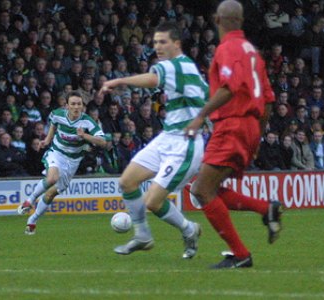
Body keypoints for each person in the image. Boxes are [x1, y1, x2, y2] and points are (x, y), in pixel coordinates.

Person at [184, 0, 282, 269]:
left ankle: (240, 254)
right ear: (241, 20)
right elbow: (270, 100)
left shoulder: (228, 48)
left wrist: (201, 115)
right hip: (250, 125)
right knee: (209, 188)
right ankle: (266, 209)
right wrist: (257, 137)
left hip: (232, 123)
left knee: (201, 190)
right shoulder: (253, 52)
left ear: (217, 20)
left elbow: (228, 87)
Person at [99, 21, 207, 259]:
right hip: (167, 137)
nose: (157, 46)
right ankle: (143, 235)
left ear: (176, 44)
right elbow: (208, 96)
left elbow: (151, 79)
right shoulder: (188, 69)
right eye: (155, 42)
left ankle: (189, 230)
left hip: (185, 144)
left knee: (153, 201)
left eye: (163, 42)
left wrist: (118, 81)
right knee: (127, 182)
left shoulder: (176, 65)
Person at [17, 91, 106, 234]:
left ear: (82, 106)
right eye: (73, 104)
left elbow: (102, 142)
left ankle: (32, 220)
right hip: (57, 152)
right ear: (67, 106)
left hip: (73, 161)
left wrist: (85, 135)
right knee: (52, 178)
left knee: (51, 194)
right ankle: (29, 200)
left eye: (79, 104)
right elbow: (53, 124)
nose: (76, 107)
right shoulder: (57, 114)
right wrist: (47, 140)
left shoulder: (87, 121)